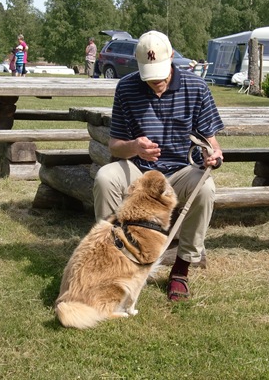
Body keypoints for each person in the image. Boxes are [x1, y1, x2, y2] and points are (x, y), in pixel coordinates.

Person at [93, 30, 224, 302]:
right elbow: (115, 145)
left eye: (161, 74)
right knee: (106, 177)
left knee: (206, 189)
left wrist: (214, 155)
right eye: (150, 75)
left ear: (172, 58)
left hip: (180, 171)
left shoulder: (196, 87)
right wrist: (135, 147)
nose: (157, 82)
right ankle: (111, 263)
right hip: (139, 171)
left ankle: (181, 269)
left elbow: (211, 142)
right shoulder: (127, 87)